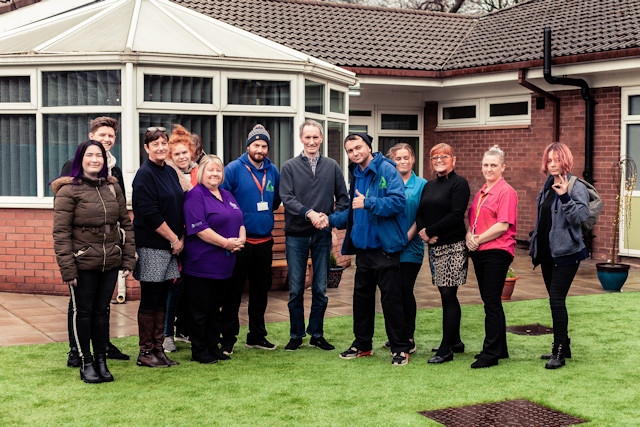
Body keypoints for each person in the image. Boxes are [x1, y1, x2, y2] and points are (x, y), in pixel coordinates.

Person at [52, 140, 136, 383]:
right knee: (83, 313)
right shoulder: (68, 191)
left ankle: (101, 360)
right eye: (89, 155)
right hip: (82, 263)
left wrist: (128, 259)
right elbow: (60, 234)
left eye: (99, 155)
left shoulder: (112, 187)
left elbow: (126, 224)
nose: (94, 160)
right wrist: (68, 269)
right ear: (80, 159)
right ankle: (86, 361)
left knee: (101, 313)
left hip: (109, 261)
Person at [329, 132, 412, 366]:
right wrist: (330, 220)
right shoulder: (356, 174)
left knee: (391, 301)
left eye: (358, 148)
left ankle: (400, 348)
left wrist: (369, 202)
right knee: (361, 300)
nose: (355, 153)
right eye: (350, 151)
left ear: (368, 147)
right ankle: (362, 345)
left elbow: (398, 202)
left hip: (385, 249)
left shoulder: (386, 169)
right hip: (363, 250)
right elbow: (354, 211)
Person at [279, 119, 349, 351]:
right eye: (307, 137)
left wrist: (330, 220)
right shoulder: (289, 167)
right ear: (301, 139)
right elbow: (287, 198)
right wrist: (309, 213)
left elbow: (343, 199)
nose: (311, 141)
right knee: (296, 288)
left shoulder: (332, 166)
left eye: (315, 137)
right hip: (296, 236)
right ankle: (296, 335)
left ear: (321, 139)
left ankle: (317, 334)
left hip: (322, 235)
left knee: (320, 287)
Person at [220, 124, 280, 354]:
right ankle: (228, 339)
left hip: (264, 242)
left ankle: (256, 335)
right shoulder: (234, 169)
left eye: (264, 145)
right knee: (232, 293)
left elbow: (274, 202)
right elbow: (223, 199)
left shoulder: (272, 171)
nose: (260, 149)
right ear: (248, 146)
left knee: (260, 293)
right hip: (239, 243)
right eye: (256, 144)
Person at [529, 142, 589, 369]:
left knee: (556, 300)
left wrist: (565, 197)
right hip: (546, 254)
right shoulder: (547, 185)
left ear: (565, 161)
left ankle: (559, 350)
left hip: (567, 254)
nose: (552, 164)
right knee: (555, 300)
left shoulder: (576, 186)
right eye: (549, 160)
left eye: (556, 160)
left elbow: (580, 218)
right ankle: (565, 343)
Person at [183, 155, 246, 364]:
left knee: (215, 310)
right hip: (202, 264)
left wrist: (241, 239)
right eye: (210, 170)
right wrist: (226, 243)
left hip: (225, 265)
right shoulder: (195, 196)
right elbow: (200, 229)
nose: (214, 174)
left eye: (218, 170)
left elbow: (239, 219)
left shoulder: (227, 194)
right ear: (201, 173)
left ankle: (213, 346)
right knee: (200, 310)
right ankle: (199, 350)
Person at [132, 126, 184, 368]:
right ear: (146, 148)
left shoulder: (170, 172)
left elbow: (179, 206)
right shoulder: (144, 175)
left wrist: (179, 238)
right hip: (153, 247)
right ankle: (145, 352)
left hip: (171, 247)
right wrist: (174, 239)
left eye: (164, 143)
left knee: (163, 299)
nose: (161, 148)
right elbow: (150, 214)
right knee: (151, 299)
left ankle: (158, 348)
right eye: (156, 144)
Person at [415, 143, 470, 364]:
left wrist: (431, 231)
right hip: (434, 246)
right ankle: (455, 341)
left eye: (444, 156)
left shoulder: (459, 184)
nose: (439, 160)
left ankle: (446, 349)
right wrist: (424, 234)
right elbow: (420, 212)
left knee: (448, 295)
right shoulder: (429, 186)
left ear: (453, 160)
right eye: (434, 156)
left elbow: (456, 215)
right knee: (445, 294)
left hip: (453, 246)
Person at [466, 145, 518, 369]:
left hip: (497, 251)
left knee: (491, 303)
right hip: (481, 251)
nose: (489, 169)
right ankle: (500, 348)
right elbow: (474, 220)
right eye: (486, 165)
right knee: (492, 301)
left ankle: (491, 353)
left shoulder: (506, 192)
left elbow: (502, 225)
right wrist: (469, 234)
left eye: (493, 165)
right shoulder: (481, 192)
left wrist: (477, 240)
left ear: (503, 167)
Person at [383, 143, 426, 353]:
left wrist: (403, 239)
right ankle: (395, 335)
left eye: (406, 157)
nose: (402, 161)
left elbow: (421, 217)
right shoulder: (386, 182)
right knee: (391, 292)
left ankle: (408, 336)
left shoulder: (422, 185)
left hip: (410, 247)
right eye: (398, 158)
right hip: (388, 248)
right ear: (392, 161)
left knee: (404, 290)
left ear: (413, 159)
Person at [162, 125, 199, 354]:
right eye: (176, 154)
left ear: (191, 152)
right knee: (172, 290)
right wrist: (177, 238)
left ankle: (188, 330)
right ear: (170, 156)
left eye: (185, 152)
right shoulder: (166, 174)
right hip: (173, 240)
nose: (182, 157)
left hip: (196, 239)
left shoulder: (199, 172)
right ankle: (167, 334)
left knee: (193, 288)